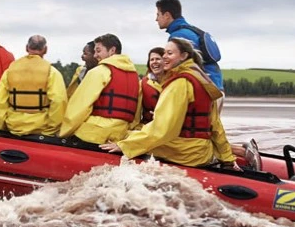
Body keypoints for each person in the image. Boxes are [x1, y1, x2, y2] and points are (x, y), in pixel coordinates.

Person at [100, 37, 238, 169]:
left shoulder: (179, 83)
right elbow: (216, 127)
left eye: (170, 53)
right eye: (164, 52)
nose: (164, 56)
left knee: (124, 135)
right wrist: (227, 159)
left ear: (183, 56)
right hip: (201, 152)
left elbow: (162, 128)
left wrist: (125, 146)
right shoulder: (201, 81)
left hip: (183, 153)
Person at [59, 33, 141, 144]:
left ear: (112, 50)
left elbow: (79, 107)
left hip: (93, 134)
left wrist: (63, 132)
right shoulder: (135, 77)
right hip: (120, 134)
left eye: (98, 51)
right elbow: (136, 113)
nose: (95, 55)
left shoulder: (99, 72)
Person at [0, 35, 67, 136]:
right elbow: (59, 101)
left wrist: (4, 124)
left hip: (13, 125)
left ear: (26, 48)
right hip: (41, 127)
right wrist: (51, 130)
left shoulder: (10, 71)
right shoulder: (52, 72)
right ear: (45, 49)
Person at [155, 0, 223, 91]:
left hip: (206, 89)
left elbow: (180, 68)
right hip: (215, 83)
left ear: (166, 15)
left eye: (158, 15)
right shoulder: (191, 31)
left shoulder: (178, 36)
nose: (156, 19)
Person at [140, 47, 164, 124]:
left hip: (170, 128)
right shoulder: (142, 84)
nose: (154, 62)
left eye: (158, 59)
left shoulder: (175, 83)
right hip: (147, 126)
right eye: (152, 60)